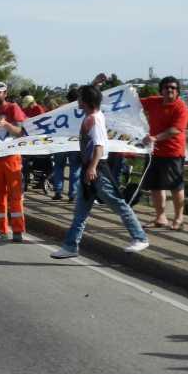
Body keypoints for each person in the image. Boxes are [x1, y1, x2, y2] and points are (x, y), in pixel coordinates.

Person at [51, 84, 149, 258]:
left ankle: (140, 237)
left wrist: (92, 168)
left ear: (86, 101)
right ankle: (70, 246)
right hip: (90, 168)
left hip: (97, 170)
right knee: (80, 212)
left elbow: (99, 146)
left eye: (80, 98)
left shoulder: (94, 119)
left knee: (117, 203)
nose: (78, 100)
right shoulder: (92, 116)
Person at [140, 76, 188, 230]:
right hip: (154, 151)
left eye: (173, 87)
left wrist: (155, 138)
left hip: (172, 152)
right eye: (166, 87)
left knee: (175, 187)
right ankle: (160, 218)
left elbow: (176, 130)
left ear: (178, 91)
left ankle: (179, 218)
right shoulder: (154, 101)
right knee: (155, 186)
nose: (169, 90)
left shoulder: (181, 108)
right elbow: (133, 103)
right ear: (161, 90)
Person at [0, 82, 28, 242]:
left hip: (11, 157)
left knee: (15, 195)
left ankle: (18, 230)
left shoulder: (13, 108)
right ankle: (1, 229)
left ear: (5, 93)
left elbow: (21, 132)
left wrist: (7, 124)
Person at [52, 89, 81, 201]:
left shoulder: (61, 109)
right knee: (75, 168)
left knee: (58, 166)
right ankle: (73, 193)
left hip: (61, 142)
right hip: (75, 143)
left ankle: (58, 191)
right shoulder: (81, 110)